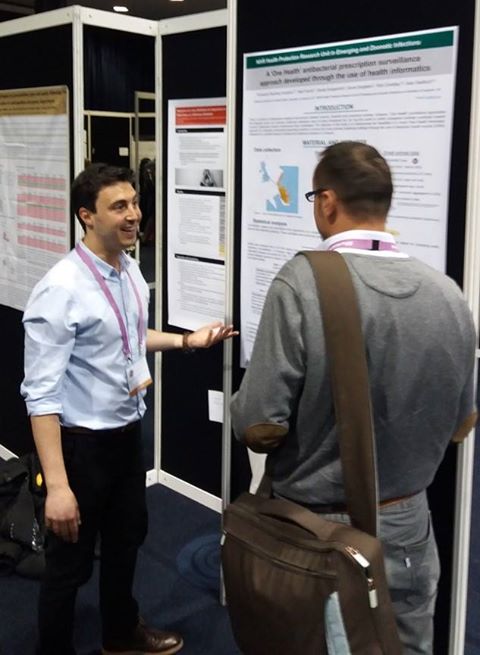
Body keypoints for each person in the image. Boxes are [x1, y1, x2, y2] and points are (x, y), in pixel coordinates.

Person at [230, 141, 477, 654]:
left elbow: (257, 426)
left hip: (321, 533)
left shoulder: (301, 282)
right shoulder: (450, 295)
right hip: (410, 525)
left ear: (327, 202)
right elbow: (462, 423)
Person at [21, 163, 237, 655]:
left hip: (125, 437)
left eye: (135, 204)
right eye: (119, 206)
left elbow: (129, 338)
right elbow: (41, 397)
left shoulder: (129, 269)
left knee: (125, 544)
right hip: (79, 449)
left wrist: (186, 340)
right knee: (68, 568)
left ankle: (120, 634)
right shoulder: (60, 289)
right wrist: (57, 486)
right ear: (86, 216)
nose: (134, 215)